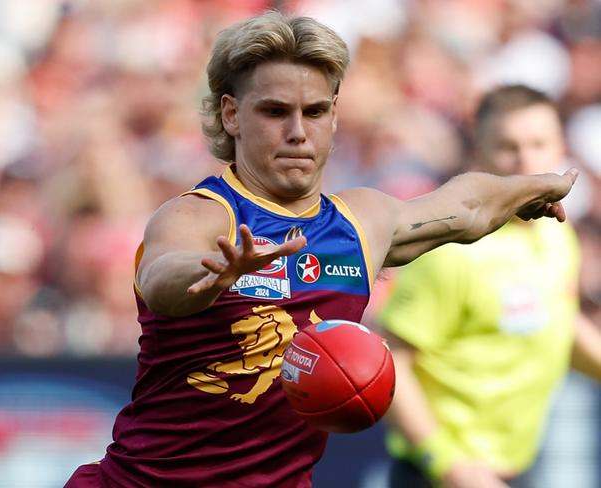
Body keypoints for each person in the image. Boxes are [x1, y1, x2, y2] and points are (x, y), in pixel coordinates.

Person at [65, 12, 577, 488]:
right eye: (274, 111)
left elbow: (465, 206)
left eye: (314, 112)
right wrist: (214, 271)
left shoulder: (360, 224)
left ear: (334, 117)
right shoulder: (200, 215)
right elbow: (161, 282)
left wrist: (528, 190)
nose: (297, 132)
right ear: (231, 114)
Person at [376, 84, 601, 488]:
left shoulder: (556, 236)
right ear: (479, 152)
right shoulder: (451, 250)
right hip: (440, 475)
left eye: (539, 143)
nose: (527, 160)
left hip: (517, 467)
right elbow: (392, 363)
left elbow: (558, 321)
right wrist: (448, 465)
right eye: (508, 146)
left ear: (561, 148)